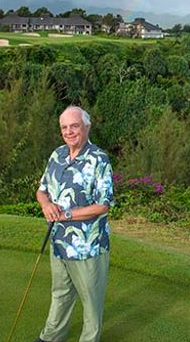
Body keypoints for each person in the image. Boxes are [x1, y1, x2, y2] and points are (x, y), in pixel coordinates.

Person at [34, 105, 114, 342]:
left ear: (86, 127)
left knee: (91, 301)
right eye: (64, 127)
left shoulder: (99, 159)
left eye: (74, 126)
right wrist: (46, 205)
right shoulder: (57, 155)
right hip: (58, 242)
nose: (69, 132)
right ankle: (51, 336)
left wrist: (67, 215)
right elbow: (42, 191)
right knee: (60, 293)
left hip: (88, 245)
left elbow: (103, 205)